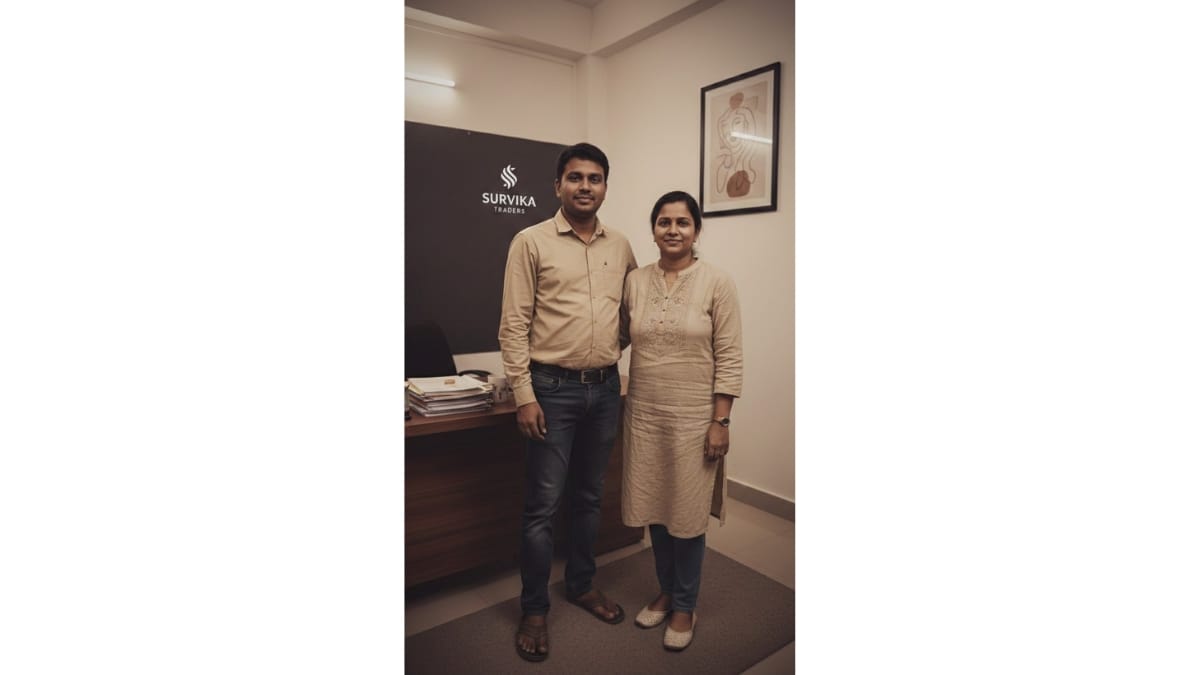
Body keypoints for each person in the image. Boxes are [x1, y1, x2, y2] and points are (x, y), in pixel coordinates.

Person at [499, 142, 638, 662]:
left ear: (605, 187)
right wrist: (524, 394)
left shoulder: (620, 245)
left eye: (594, 178)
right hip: (551, 391)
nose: (585, 186)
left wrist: (606, 352)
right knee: (542, 506)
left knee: (589, 498)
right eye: (575, 177)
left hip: (604, 389)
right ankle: (535, 609)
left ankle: (581, 584)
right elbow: (513, 325)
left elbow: (631, 312)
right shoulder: (530, 241)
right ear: (557, 184)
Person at [619, 190, 743, 651]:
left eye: (682, 222)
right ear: (653, 230)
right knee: (655, 506)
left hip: (694, 419)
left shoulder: (717, 283)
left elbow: (730, 355)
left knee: (687, 515)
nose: (673, 230)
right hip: (644, 415)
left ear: (696, 230)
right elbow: (615, 336)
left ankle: (686, 605)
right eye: (664, 222)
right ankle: (667, 590)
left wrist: (720, 422)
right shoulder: (635, 282)